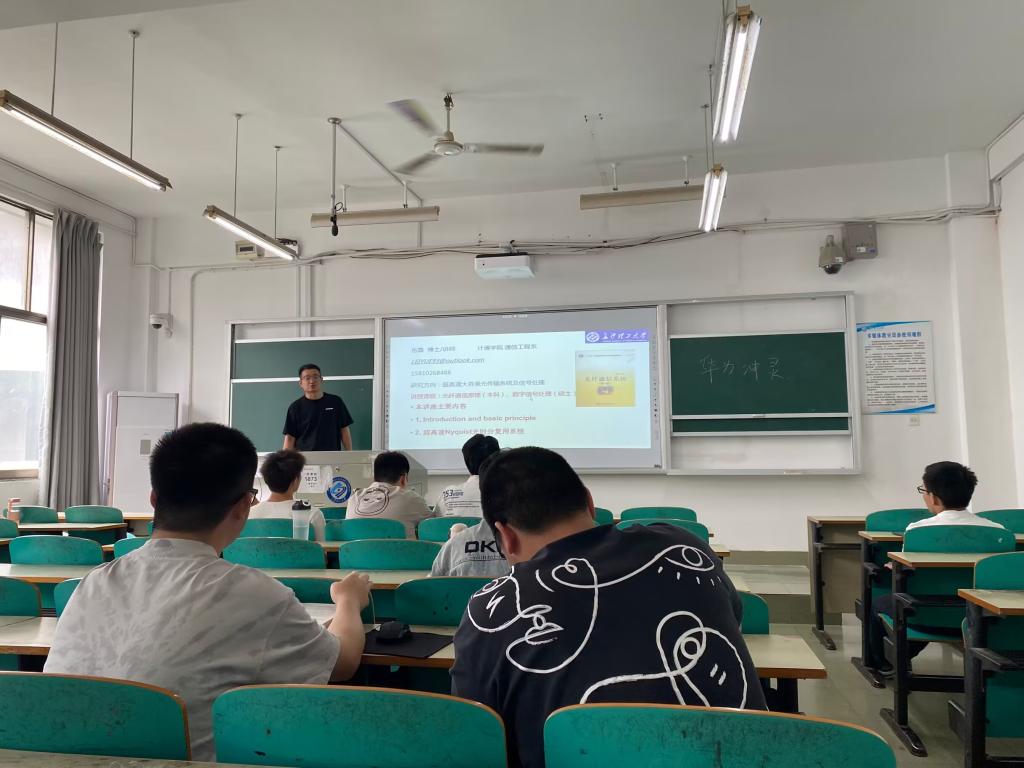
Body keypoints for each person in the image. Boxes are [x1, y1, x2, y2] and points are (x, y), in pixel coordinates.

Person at [44, 423, 371, 761]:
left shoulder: (93, 582)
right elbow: (344, 663)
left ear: (154, 499)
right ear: (243, 506)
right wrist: (348, 599)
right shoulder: (253, 593)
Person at [451, 447, 764, 768]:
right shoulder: (683, 546)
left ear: (506, 536)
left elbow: (476, 733)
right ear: (589, 502)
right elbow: (733, 617)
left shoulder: (489, 611)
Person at [868, 461, 1003, 672]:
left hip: (924, 615)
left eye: (923, 491)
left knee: (880, 603)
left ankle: (883, 664)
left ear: (934, 498)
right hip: (981, 619)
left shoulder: (917, 531)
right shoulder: (998, 531)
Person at [346, 451, 432, 537]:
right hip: (399, 546)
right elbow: (434, 527)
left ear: (374, 477)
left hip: (357, 546)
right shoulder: (412, 498)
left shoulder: (354, 498)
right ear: (403, 479)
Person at [251, 449, 327, 541]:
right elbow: (322, 548)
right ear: (295, 480)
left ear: (266, 480)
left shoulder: (249, 514)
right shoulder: (312, 514)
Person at [283, 363, 353, 451]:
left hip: (332, 455)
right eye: (307, 378)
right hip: (305, 456)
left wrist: (350, 453)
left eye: (315, 377)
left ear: (321, 379)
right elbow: (290, 437)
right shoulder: (295, 407)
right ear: (301, 383)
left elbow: (344, 430)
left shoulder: (335, 402)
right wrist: (285, 458)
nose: (312, 381)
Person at [433, 434, 500, 517]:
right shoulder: (509, 494)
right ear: (498, 460)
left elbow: (434, 522)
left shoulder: (447, 495)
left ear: (467, 461)